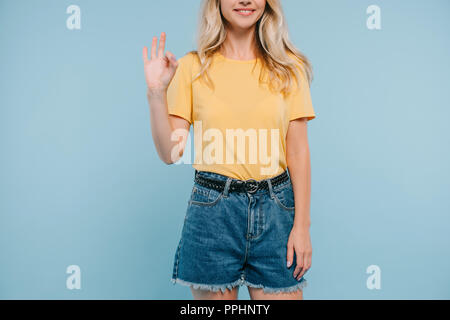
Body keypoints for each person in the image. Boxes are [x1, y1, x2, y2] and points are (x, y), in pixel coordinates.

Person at [143, 0, 315, 300]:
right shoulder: (192, 67)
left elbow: (298, 153)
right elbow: (170, 154)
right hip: (213, 215)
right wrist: (156, 94)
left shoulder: (289, 68)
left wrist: (301, 227)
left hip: (276, 213)